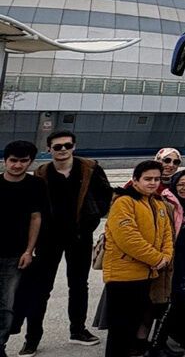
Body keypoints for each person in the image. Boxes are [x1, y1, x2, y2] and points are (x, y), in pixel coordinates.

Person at [12, 130, 112, 353]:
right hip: (49, 238)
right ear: (49, 149)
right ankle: (32, 338)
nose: (63, 150)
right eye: (57, 146)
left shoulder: (89, 168)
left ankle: (78, 330)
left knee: (78, 285)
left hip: (79, 236)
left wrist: (92, 219)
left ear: (74, 147)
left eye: (67, 145)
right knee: (41, 288)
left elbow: (105, 196)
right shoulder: (42, 173)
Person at [101, 160, 173, 357]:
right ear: (135, 180)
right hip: (123, 275)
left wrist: (166, 256)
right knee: (119, 329)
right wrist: (156, 259)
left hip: (146, 274)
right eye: (148, 179)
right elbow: (128, 238)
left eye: (156, 179)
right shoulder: (123, 202)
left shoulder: (157, 203)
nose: (153, 183)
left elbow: (167, 233)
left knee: (133, 325)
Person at [151, 170, 185, 354]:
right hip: (171, 262)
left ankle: (171, 339)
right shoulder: (166, 203)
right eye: (181, 184)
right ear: (174, 185)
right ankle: (157, 344)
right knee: (168, 302)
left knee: (181, 300)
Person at [2, 141, 46, 357]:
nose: (17, 165)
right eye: (13, 160)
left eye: (23, 161)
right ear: (5, 160)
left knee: (6, 304)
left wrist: (29, 251)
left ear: (30, 162)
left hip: (15, 254)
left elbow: (36, 218)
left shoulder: (36, 185)